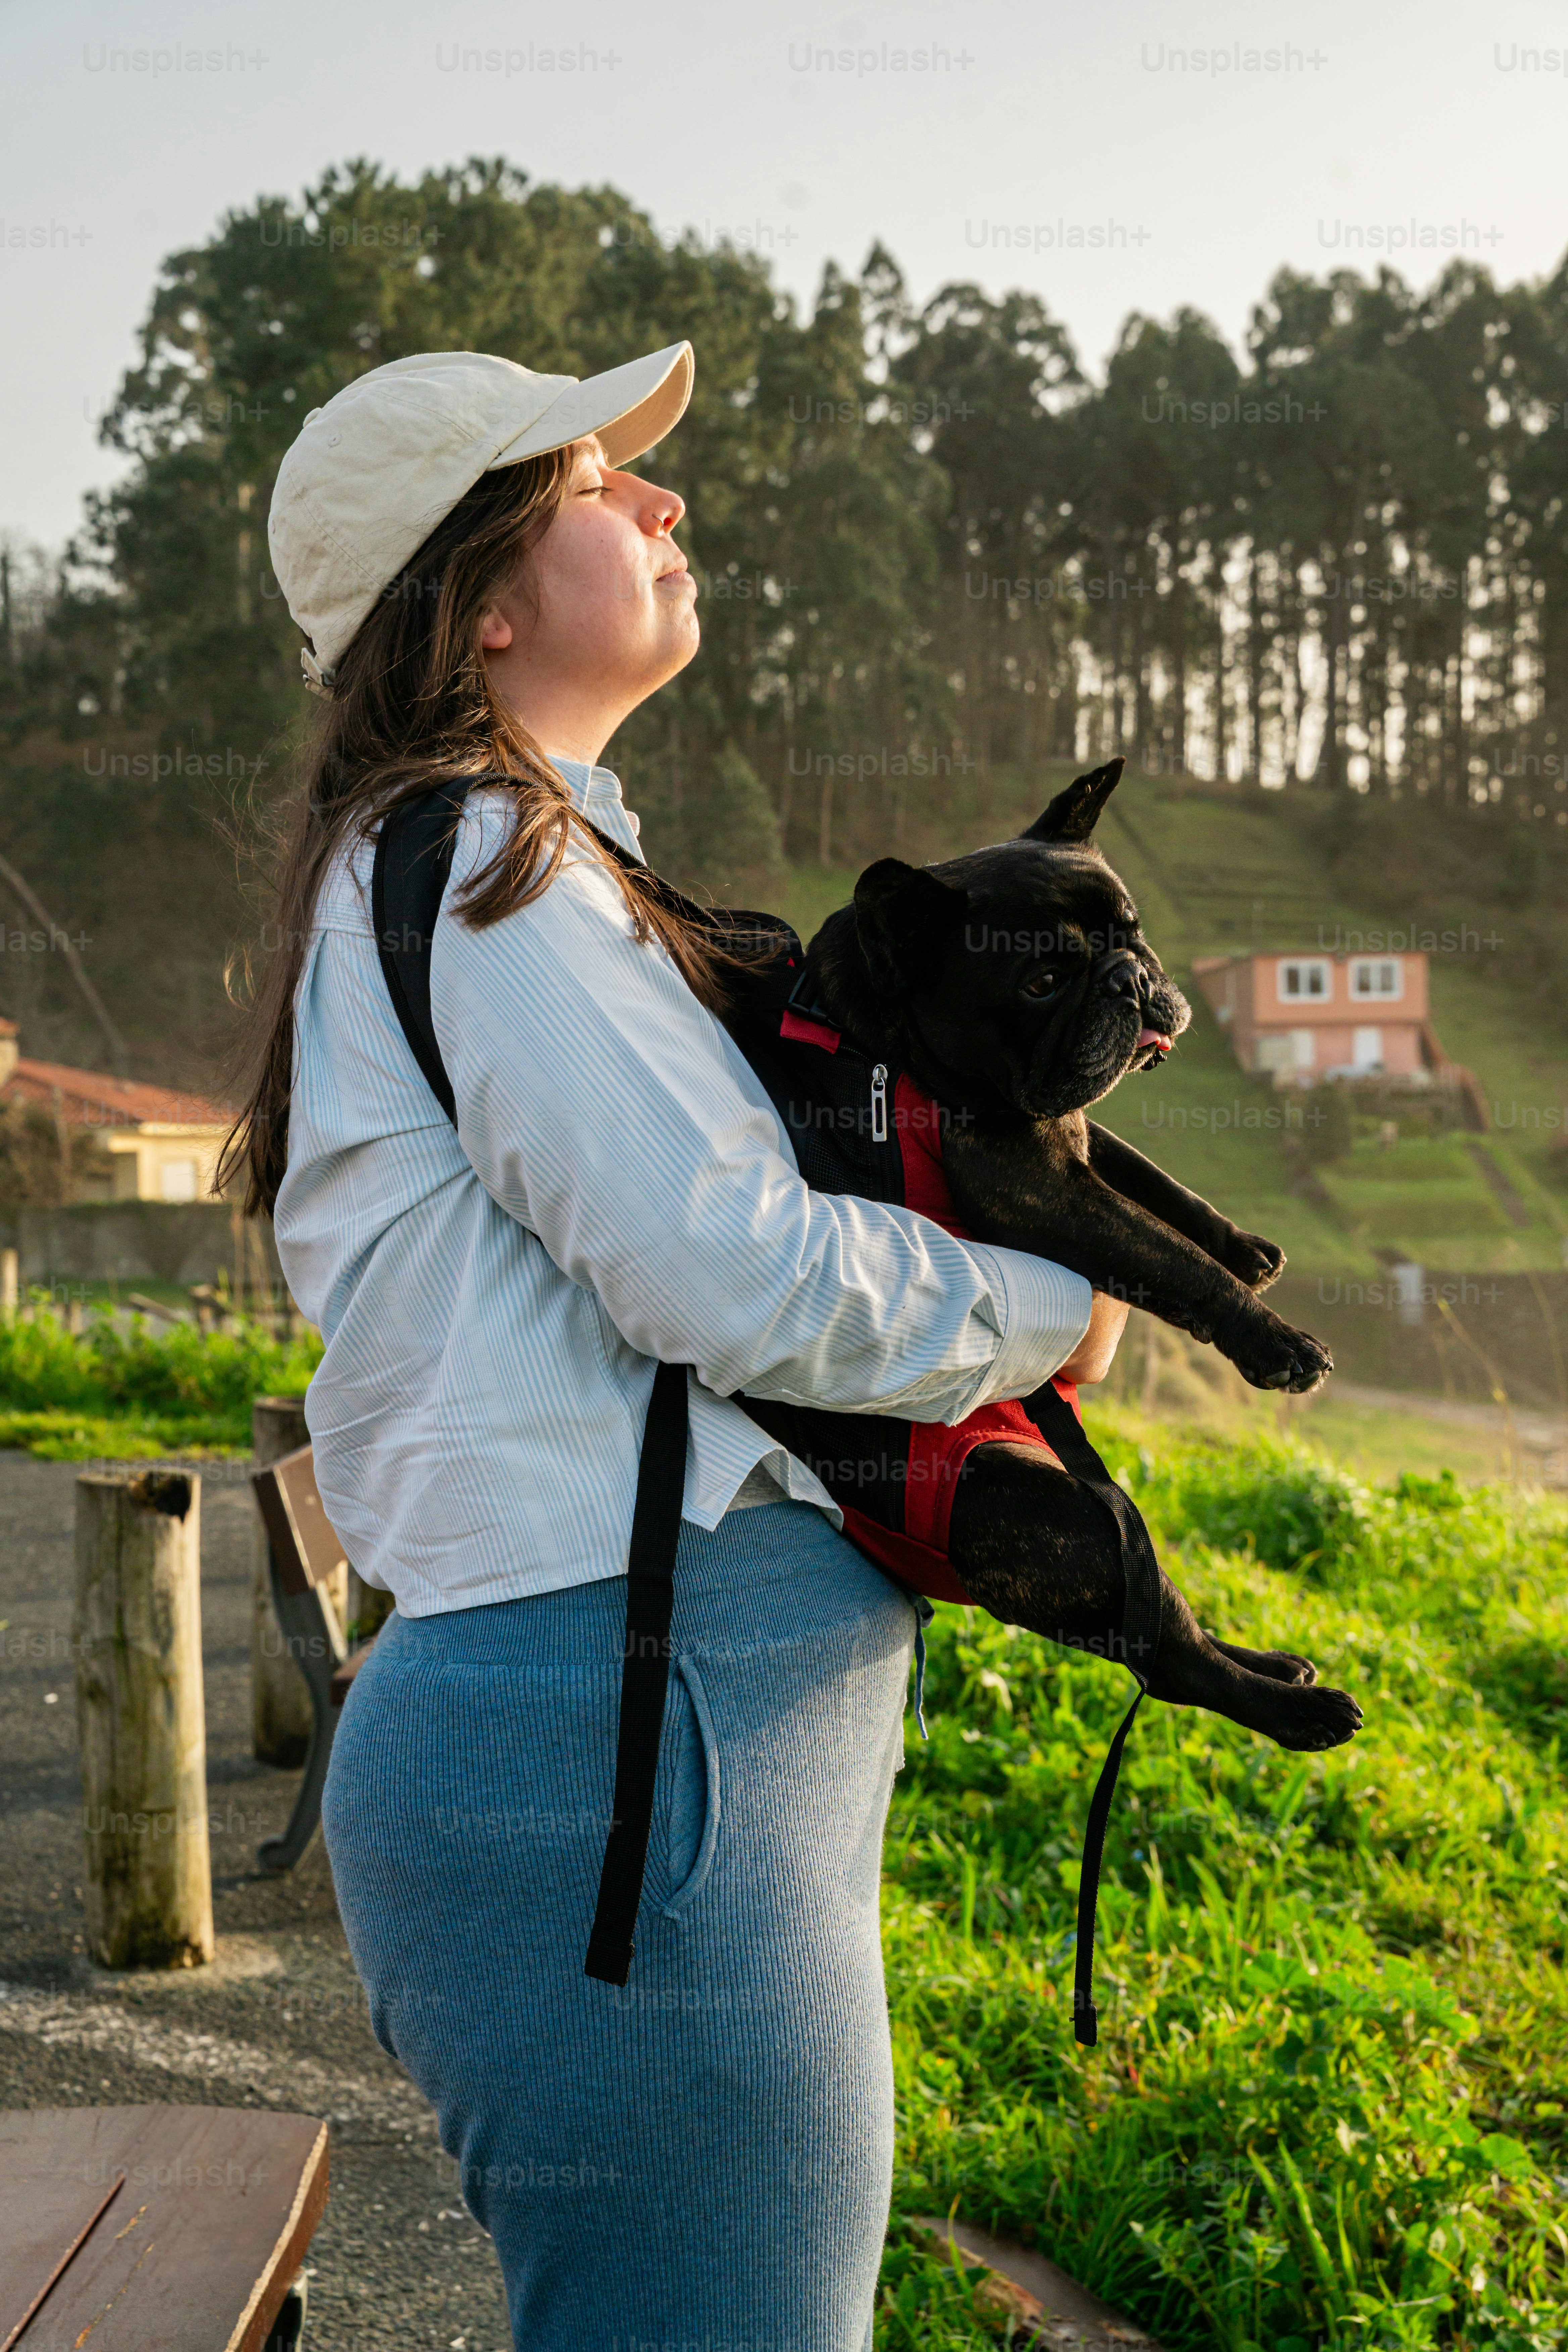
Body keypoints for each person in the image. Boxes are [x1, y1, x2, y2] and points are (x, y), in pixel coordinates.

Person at [227, 340, 1127, 2350]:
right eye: (590, 478)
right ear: (474, 605)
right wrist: (1058, 1312)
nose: (666, 500)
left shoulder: (519, 866)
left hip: (640, 1745)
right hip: (628, 1752)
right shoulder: (484, 866)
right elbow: (733, 1276)